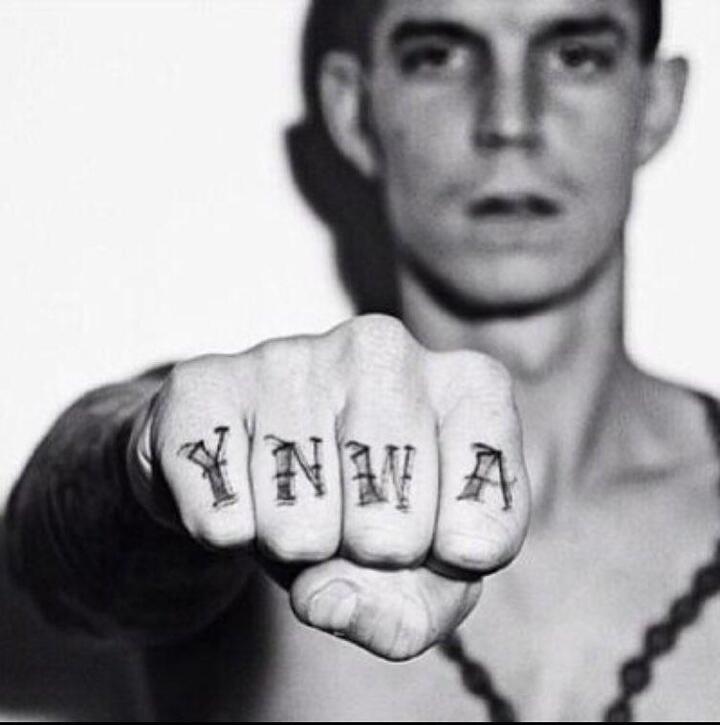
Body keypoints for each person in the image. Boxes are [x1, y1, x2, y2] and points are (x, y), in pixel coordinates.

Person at [6, 0, 720, 720]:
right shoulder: (266, 465)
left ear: (656, 104)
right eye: (438, 56)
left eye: (576, 56)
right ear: (353, 111)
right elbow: (62, 555)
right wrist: (148, 458)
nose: (510, 121)